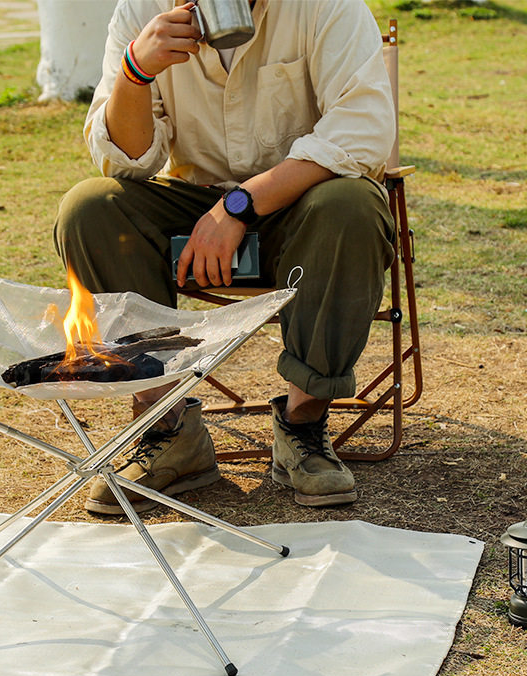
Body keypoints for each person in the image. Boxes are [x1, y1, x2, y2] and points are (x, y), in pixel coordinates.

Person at [54, 0, 396, 514]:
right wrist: (136, 71)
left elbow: (362, 129)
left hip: (304, 208)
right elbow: (125, 163)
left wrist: (240, 206)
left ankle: (303, 426)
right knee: (89, 208)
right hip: (194, 213)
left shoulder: (326, 6)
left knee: (353, 203)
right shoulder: (142, 10)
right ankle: (167, 428)